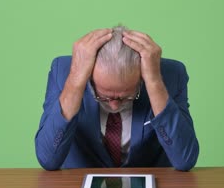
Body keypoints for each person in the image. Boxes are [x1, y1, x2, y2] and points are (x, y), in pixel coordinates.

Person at [35, 26, 199, 171]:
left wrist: (154, 81)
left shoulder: (171, 75)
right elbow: (48, 159)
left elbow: (185, 160)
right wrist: (75, 81)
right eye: (104, 96)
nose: (114, 106)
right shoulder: (63, 72)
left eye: (126, 97)